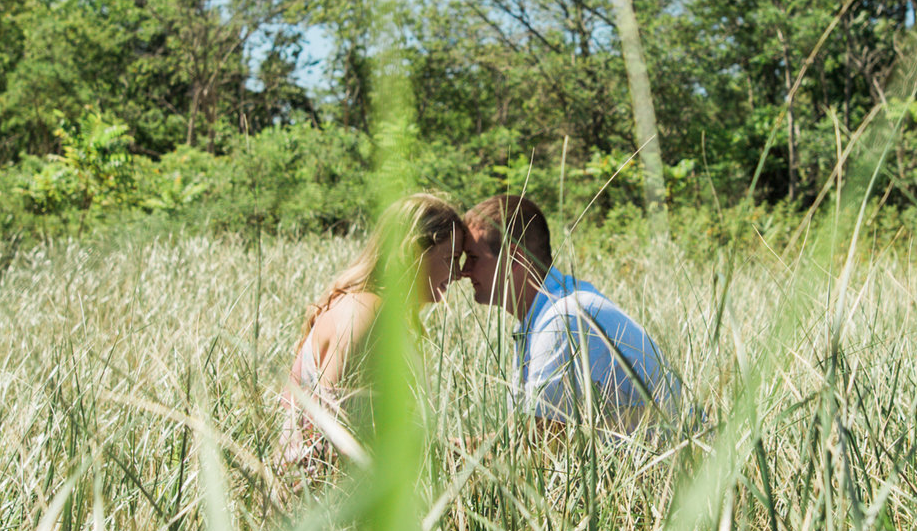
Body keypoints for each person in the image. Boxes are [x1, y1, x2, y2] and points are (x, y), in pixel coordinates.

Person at [462, 192, 684, 435]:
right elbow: (530, 439)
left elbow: (539, 449)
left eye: (473, 258)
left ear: (515, 257)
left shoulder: (562, 319)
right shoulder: (547, 311)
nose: (464, 271)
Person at [280, 192, 469, 465]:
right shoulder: (363, 312)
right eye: (451, 258)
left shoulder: (381, 314)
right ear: (413, 251)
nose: (458, 273)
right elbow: (334, 438)